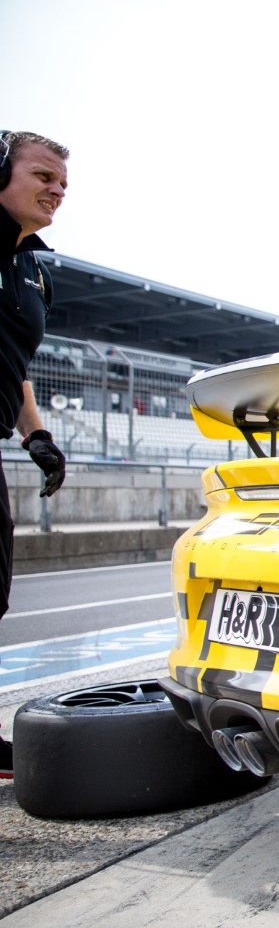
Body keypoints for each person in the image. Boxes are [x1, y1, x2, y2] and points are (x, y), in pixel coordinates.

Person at [0, 130, 71, 778]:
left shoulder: (29, 269)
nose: (55, 190)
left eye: (62, 184)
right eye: (42, 175)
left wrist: (37, 437)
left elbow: (16, 365)